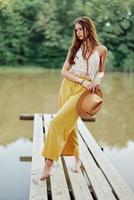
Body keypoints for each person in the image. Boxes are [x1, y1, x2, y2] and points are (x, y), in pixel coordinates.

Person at [40, 16, 108, 180]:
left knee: (56, 123)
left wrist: (97, 79)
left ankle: (48, 164)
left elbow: (101, 71)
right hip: (68, 86)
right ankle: (77, 159)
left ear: (88, 28)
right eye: (76, 30)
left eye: (81, 29)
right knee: (70, 124)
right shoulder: (74, 49)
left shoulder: (101, 50)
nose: (78, 32)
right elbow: (63, 72)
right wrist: (82, 81)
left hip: (83, 92)